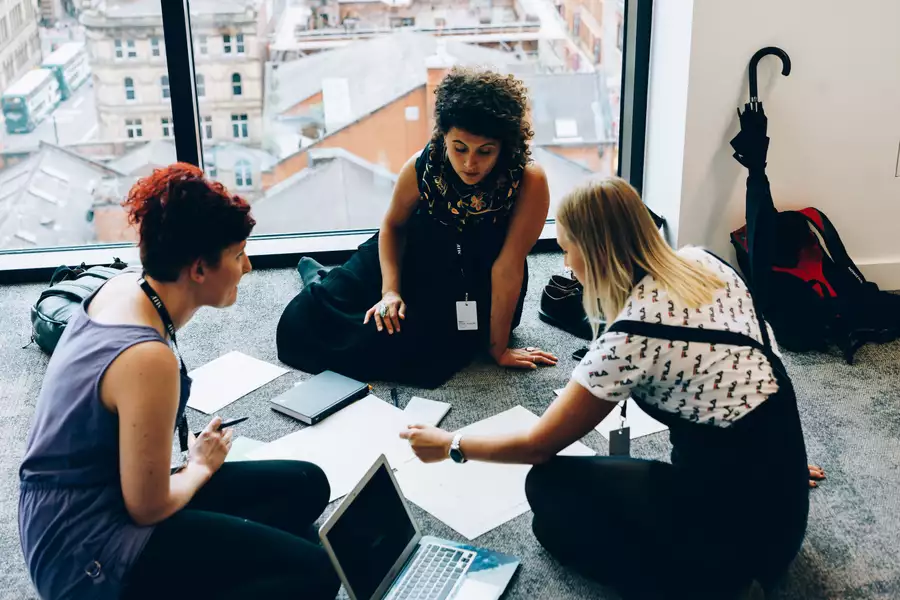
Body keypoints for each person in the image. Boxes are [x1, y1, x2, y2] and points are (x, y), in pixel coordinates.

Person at [401, 177, 826, 599]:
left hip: (734, 547)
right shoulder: (706, 262)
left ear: (595, 252)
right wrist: (771, 457)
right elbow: (757, 372)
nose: (566, 266)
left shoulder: (630, 336)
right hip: (784, 513)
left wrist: (451, 443)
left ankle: (706, 587)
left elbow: (537, 445)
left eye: (567, 251)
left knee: (547, 493)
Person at [19, 164, 339, 600]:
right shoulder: (147, 358)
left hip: (90, 496)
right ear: (199, 269)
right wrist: (199, 467)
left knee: (307, 485)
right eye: (238, 253)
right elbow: (147, 507)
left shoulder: (125, 288)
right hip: (84, 552)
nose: (248, 266)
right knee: (319, 574)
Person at [276, 66, 558, 389]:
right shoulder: (423, 165)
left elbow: (507, 267)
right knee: (299, 325)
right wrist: (390, 291)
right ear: (444, 137)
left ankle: (325, 279)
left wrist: (499, 350)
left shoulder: (529, 181)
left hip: (480, 281)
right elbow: (393, 225)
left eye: (485, 151)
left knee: (418, 354)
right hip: (416, 252)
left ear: (503, 145)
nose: (469, 164)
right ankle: (323, 281)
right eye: (459, 147)